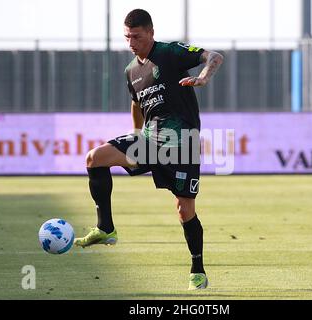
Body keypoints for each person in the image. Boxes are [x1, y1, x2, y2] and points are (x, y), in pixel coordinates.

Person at [74, 8, 223, 290]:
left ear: (151, 33)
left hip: (182, 144)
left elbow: (214, 57)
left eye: (137, 37)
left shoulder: (171, 51)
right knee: (95, 158)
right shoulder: (130, 71)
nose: (132, 43)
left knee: (184, 210)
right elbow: (136, 103)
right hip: (150, 141)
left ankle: (198, 271)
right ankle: (106, 228)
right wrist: (135, 133)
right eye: (128, 37)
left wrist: (203, 77)